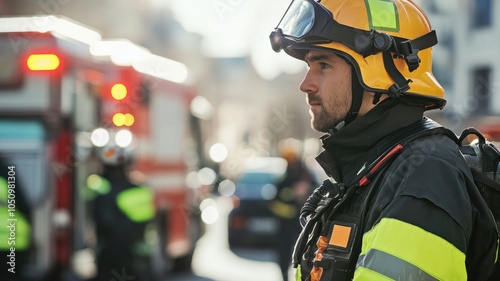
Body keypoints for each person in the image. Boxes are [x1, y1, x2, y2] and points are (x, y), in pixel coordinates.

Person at [269, 0, 499, 280]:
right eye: (309, 66)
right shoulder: (370, 167)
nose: (306, 84)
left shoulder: (424, 173)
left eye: (323, 65)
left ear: (380, 72)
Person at [87, 129, 156, 281]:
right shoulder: (141, 191)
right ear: (129, 162)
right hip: (136, 259)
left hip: (108, 259)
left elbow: (98, 222)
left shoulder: (99, 189)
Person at [269, 139, 315, 281]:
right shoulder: (282, 179)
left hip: (303, 227)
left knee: (304, 257)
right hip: (285, 226)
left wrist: (307, 190)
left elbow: (321, 193)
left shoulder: (307, 176)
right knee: (283, 255)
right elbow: (274, 204)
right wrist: (290, 207)